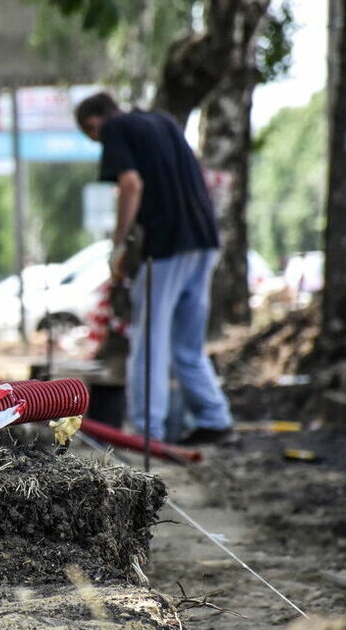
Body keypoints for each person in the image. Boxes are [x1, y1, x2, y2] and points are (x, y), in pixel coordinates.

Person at [74, 92, 233, 444]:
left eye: (93, 138)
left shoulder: (115, 128)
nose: (100, 143)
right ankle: (214, 418)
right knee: (187, 342)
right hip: (205, 239)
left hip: (167, 245)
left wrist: (117, 244)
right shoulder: (162, 120)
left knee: (149, 337)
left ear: (94, 122)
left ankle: (148, 432)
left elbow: (131, 184)